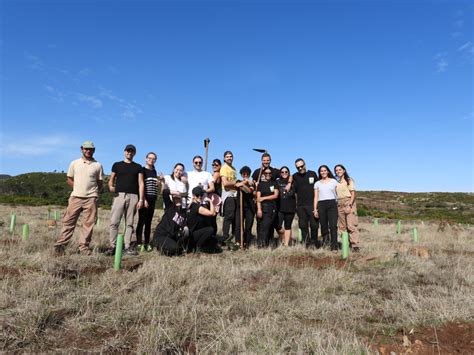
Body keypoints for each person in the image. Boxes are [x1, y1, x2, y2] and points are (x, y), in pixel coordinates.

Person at [54, 141, 104, 255]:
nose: (88, 151)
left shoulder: (98, 165)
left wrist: (94, 193)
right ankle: (61, 245)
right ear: (81, 149)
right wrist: (77, 188)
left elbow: (100, 182)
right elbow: (69, 178)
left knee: (88, 224)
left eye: (90, 149)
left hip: (91, 198)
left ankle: (84, 248)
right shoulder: (74, 163)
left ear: (94, 150)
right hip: (75, 197)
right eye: (86, 149)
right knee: (68, 222)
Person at [106, 144, 145, 256]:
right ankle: (112, 246)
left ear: (134, 153)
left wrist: (141, 199)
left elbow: (141, 183)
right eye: (128, 151)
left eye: (132, 151)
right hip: (119, 195)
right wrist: (110, 186)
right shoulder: (117, 165)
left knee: (129, 223)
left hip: (133, 196)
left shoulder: (138, 167)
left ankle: (127, 247)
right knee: (114, 222)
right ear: (124, 152)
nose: (129, 153)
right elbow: (111, 179)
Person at [150, 188, 189, 256]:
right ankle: (155, 245)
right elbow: (165, 192)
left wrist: (185, 229)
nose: (177, 199)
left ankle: (168, 247)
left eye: (179, 198)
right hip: (160, 235)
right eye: (175, 198)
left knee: (178, 248)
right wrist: (178, 193)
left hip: (170, 238)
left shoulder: (183, 214)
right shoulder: (170, 207)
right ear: (173, 200)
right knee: (175, 248)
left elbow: (184, 226)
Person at [292, 158, 319, 247]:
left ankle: (314, 242)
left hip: (312, 204)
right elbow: (293, 190)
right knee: (303, 226)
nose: (300, 168)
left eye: (301, 166)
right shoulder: (295, 176)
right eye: (298, 167)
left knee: (314, 225)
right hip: (300, 206)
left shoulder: (313, 174)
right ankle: (306, 243)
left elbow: (319, 188)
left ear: (305, 164)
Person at [136, 152, 159, 252]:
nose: (151, 160)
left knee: (149, 222)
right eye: (149, 158)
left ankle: (146, 243)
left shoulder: (154, 171)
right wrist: (143, 199)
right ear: (146, 159)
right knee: (141, 221)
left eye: (153, 159)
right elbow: (141, 185)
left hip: (153, 199)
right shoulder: (142, 170)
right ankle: (139, 243)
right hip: (145, 199)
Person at [186, 186, 221, 253]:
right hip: (192, 235)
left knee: (214, 240)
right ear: (193, 195)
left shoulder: (191, 205)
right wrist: (210, 201)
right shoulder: (197, 207)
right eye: (197, 195)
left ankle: (202, 246)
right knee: (210, 229)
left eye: (201, 195)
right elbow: (212, 213)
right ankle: (197, 247)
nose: (199, 197)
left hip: (195, 233)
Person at [334, 164, 360, 251]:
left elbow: (353, 194)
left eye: (340, 169)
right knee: (342, 226)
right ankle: (346, 245)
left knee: (351, 225)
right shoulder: (336, 182)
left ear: (344, 170)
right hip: (339, 203)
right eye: (336, 170)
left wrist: (349, 205)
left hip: (348, 202)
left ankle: (355, 246)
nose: (338, 171)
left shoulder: (349, 180)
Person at [313, 165, 338, 251]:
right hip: (321, 204)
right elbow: (316, 197)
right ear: (319, 173)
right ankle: (326, 244)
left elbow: (338, 193)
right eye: (321, 171)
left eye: (325, 170)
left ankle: (334, 246)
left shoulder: (334, 181)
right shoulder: (317, 183)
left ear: (328, 171)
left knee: (333, 226)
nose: (323, 172)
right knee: (323, 226)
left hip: (332, 204)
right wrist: (315, 209)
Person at [256, 168, 279, 247]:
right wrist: (259, 209)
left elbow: (275, 195)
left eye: (269, 173)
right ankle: (261, 245)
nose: (268, 175)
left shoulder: (274, 183)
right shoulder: (260, 184)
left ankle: (267, 244)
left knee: (268, 226)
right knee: (262, 227)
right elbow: (258, 198)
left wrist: (264, 198)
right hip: (262, 208)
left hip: (271, 208)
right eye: (266, 173)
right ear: (263, 174)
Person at [234, 166, 256, 248]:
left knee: (248, 226)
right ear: (241, 174)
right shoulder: (238, 181)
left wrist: (243, 185)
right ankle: (238, 242)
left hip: (249, 207)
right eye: (244, 174)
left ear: (249, 174)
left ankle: (247, 242)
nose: (245, 175)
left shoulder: (252, 183)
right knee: (238, 225)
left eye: (247, 174)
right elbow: (236, 185)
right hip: (240, 207)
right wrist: (243, 183)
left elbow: (249, 191)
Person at [220, 151, 238, 244]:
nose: (229, 158)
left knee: (235, 217)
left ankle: (234, 236)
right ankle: (224, 237)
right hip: (228, 194)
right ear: (224, 158)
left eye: (231, 156)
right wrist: (237, 183)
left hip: (235, 195)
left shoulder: (233, 168)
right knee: (229, 217)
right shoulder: (224, 168)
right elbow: (225, 183)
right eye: (227, 157)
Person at [276, 166, 296, 246]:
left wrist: (290, 182)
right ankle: (283, 238)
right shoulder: (277, 182)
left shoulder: (293, 181)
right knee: (277, 225)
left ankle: (286, 244)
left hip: (290, 207)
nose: (284, 173)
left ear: (288, 173)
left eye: (286, 172)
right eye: (282, 172)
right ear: (280, 173)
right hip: (279, 207)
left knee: (288, 226)